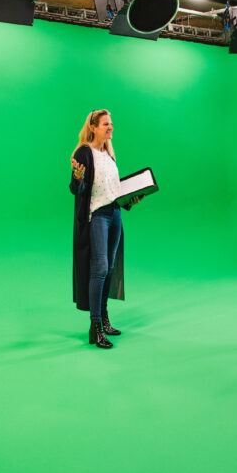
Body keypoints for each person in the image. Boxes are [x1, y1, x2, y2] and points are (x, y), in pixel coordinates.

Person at [69, 109, 140, 349]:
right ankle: (95, 326)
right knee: (98, 268)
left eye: (111, 124)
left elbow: (113, 190)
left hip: (115, 214)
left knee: (109, 267)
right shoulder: (84, 153)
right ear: (93, 127)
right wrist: (78, 178)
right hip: (97, 215)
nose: (111, 127)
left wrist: (129, 199)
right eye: (106, 124)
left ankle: (105, 317)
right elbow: (76, 188)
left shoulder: (110, 154)